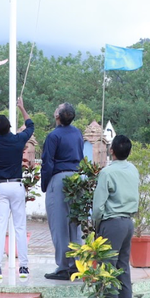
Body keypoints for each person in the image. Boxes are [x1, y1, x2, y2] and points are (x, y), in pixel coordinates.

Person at [91, 134, 140, 298]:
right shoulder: (133, 169)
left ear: (111, 151)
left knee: (108, 276)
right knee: (123, 275)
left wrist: (95, 226)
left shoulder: (107, 172)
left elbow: (98, 207)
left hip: (111, 224)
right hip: (128, 223)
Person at [0, 98, 34, 279]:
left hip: (0, 186)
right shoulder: (18, 140)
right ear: (10, 127)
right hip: (16, 184)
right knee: (20, 227)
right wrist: (22, 107)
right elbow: (30, 126)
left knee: (0, 228)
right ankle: (24, 267)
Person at [40, 102, 85, 280]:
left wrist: (45, 184)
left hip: (59, 178)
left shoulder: (53, 136)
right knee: (75, 224)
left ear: (57, 116)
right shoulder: (77, 133)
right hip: (77, 178)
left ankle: (64, 266)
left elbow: (47, 163)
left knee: (59, 225)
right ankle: (77, 264)